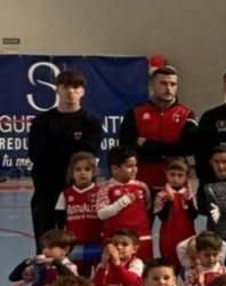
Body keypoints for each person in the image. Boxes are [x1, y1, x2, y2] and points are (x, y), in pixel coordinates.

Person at [27, 69, 103, 242]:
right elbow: (36, 154)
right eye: (65, 87)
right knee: (45, 239)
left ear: (82, 91)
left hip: (78, 191)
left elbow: (87, 154)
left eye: (75, 87)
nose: (70, 91)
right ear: (57, 89)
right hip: (46, 188)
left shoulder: (91, 122)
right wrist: (71, 148)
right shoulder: (41, 122)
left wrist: (56, 148)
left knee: (78, 238)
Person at [118, 65, 196, 190]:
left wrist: (146, 144)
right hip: (142, 181)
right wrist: (170, 150)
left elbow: (188, 148)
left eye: (173, 84)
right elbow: (127, 146)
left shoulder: (187, 114)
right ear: (152, 85)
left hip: (177, 184)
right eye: (163, 83)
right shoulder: (135, 113)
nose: (169, 88)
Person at [98, 146, 152, 260]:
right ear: (115, 168)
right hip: (116, 241)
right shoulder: (106, 188)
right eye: (129, 166)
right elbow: (101, 214)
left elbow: (147, 207)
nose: (134, 169)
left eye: (135, 165)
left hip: (142, 238)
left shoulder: (142, 186)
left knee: (143, 269)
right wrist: (122, 202)